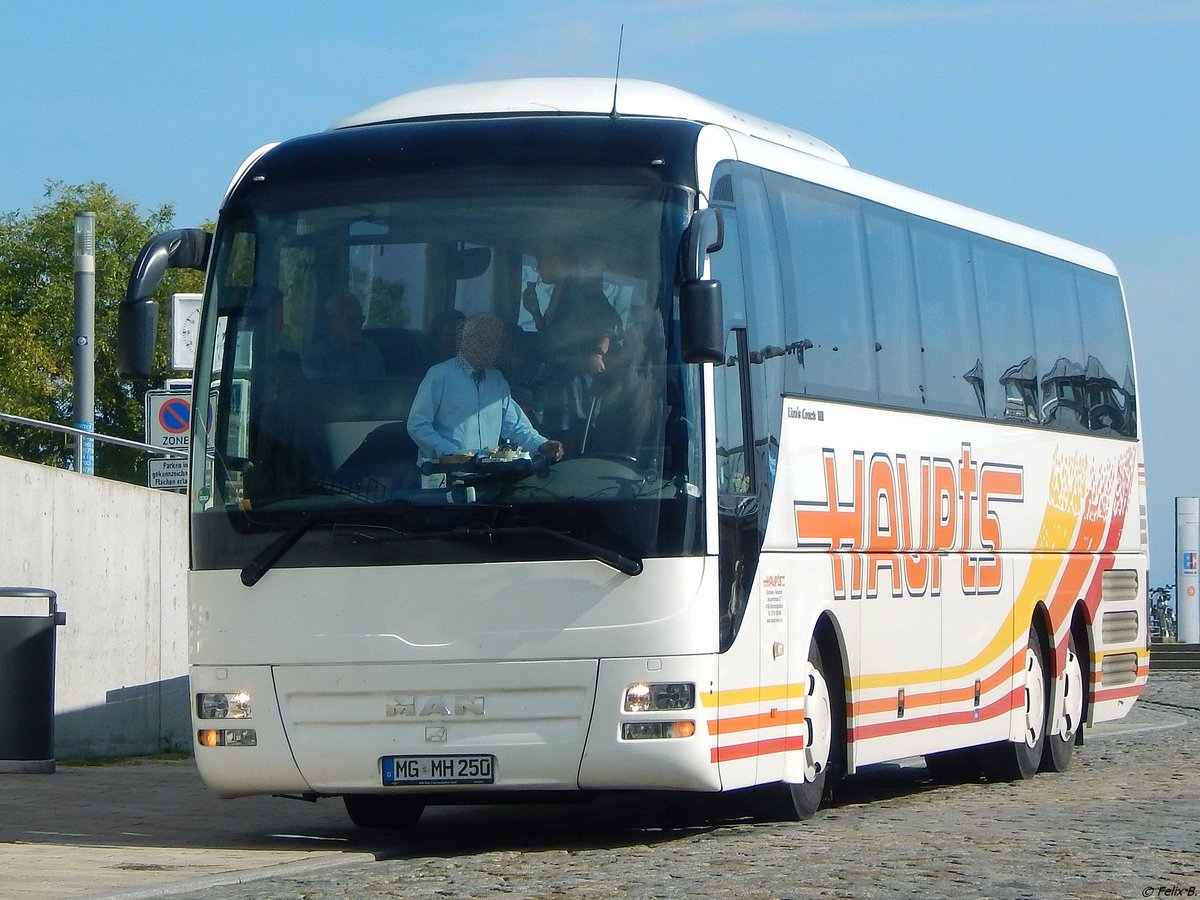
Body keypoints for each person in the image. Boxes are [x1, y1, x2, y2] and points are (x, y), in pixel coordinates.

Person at [407, 314, 564, 464]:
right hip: (444, 473)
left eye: (497, 343)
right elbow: (417, 425)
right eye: (489, 342)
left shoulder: (497, 380)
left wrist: (541, 445)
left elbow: (516, 427)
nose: (495, 349)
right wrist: (449, 454)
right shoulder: (440, 375)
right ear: (468, 341)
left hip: (485, 474)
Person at [523, 250, 622, 454]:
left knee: (573, 441)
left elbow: (611, 324)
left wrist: (596, 354)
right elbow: (554, 340)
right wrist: (534, 312)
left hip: (576, 388)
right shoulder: (560, 291)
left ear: (556, 260)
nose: (538, 269)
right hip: (557, 385)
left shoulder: (581, 289)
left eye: (540, 262)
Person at [302, 291, 386, 379]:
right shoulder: (316, 356)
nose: (357, 324)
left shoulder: (371, 350)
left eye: (360, 319)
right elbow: (316, 391)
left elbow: (383, 387)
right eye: (350, 320)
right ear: (331, 321)